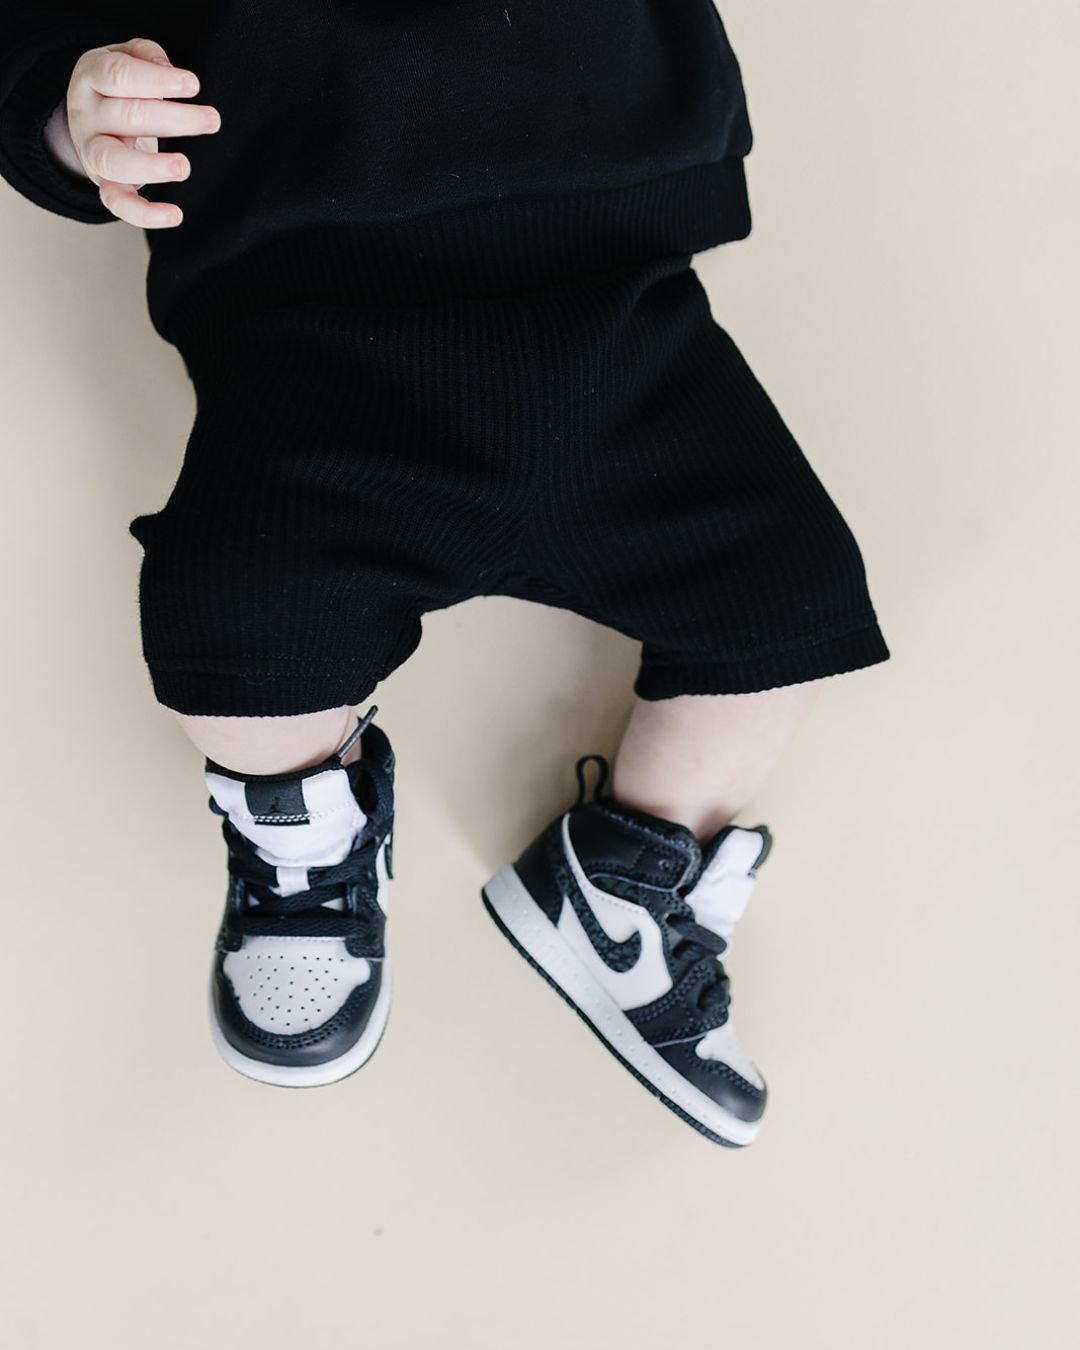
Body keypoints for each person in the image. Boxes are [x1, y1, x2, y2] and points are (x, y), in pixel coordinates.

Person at [0, 2, 890, 1145]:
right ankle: (302, 837)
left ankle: (627, 873)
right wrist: (76, 111)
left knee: (790, 602)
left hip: (618, 314)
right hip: (311, 340)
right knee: (233, 642)